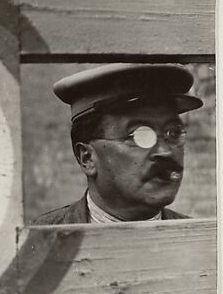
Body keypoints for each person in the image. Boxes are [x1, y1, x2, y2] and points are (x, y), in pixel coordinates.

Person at [32, 63, 204, 225]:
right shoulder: (39, 242)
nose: (165, 152)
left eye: (173, 133)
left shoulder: (203, 244)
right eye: (139, 136)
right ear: (87, 158)